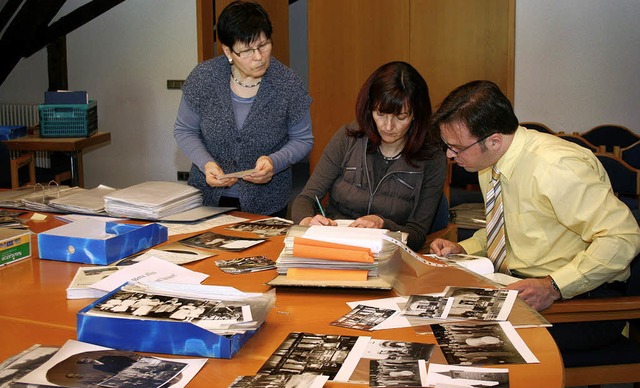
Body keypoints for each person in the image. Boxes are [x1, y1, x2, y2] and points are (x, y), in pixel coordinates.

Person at [429, 80, 640, 350]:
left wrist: (553, 286)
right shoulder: (491, 162)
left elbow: (623, 238)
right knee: (432, 320)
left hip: (580, 299)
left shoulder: (557, 167)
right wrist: (462, 247)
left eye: (456, 147)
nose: (449, 155)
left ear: (494, 140)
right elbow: (509, 229)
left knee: (465, 343)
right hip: (520, 285)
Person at [174, 0, 313, 217]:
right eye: (247, 50)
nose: (258, 57)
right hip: (208, 199)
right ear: (228, 50)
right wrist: (206, 164)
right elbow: (184, 131)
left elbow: (303, 140)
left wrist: (273, 162)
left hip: (266, 203)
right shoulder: (204, 77)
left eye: (263, 45)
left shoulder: (288, 83)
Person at [290, 61, 446, 251]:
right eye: (380, 114)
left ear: (416, 115)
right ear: (369, 108)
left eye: (400, 117)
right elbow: (305, 199)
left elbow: (417, 234)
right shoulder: (348, 137)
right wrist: (307, 222)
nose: (388, 127)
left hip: (388, 253)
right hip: (335, 247)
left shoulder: (431, 157)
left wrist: (383, 223)